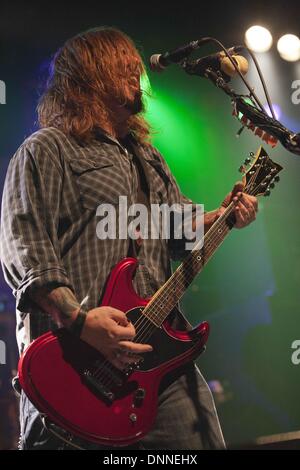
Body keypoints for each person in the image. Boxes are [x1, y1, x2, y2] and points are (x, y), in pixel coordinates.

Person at [0, 27, 258, 450]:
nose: (134, 68)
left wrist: (224, 215)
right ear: (88, 73)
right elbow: (25, 249)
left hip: (158, 361)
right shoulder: (48, 149)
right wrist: (82, 322)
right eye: (119, 60)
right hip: (77, 366)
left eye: (132, 63)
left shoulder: (149, 158)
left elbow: (177, 235)